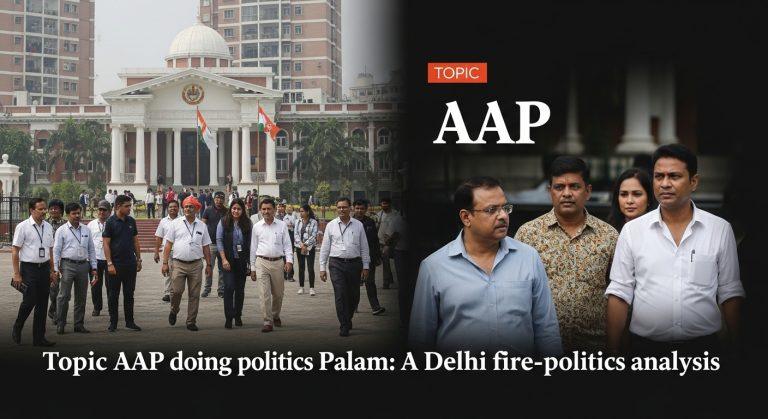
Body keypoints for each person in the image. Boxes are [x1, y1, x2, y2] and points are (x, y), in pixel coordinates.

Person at [606, 144, 746, 355]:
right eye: (658, 176)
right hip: (645, 351)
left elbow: (730, 292)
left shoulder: (719, 230)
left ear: (693, 182)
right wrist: (612, 353)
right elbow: (619, 293)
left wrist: (737, 350)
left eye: (674, 176)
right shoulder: (632, 231)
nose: (665, 184)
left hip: (704, 350)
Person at [409, 177, 561, 354]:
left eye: (505, 208)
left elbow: (547, 329)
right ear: (466, 217)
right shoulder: (433, 267)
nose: (503, 216)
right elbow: (420, 340)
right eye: (491, 210)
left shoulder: (528, 258)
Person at [515, 156, 618, 352]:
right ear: (549, 191)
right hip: (541, 350)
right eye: (559, 187)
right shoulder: (528, 234)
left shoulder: (609, 236)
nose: (567, 193)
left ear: (588, 191)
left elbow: (618, 293)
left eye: (574, 187)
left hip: (594, 349)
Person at [319, 198, 370, 337]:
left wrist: (366, 266)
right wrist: (322, 267)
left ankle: (348, 317)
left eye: (345, 207)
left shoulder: (358, 225)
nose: (342, 209)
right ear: (336, 209)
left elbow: (364, 247)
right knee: (340, 294)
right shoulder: (331, 225)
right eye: (339, 207)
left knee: (354, 296)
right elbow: (325, 248)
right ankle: (344, 324)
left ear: (350, 208)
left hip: (354, 264)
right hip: (336, 264)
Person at [162, 196, 213, 331]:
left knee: (194, 294)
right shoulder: (176, 223)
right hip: (178, 263)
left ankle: (191, 321)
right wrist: (165, 263)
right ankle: (174, 309)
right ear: (182, 209)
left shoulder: (202, 225)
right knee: (176, 291)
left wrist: (209, 265)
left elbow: (206, 246)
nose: (188, 209)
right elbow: (168, 244)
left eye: (191, 206)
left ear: (196, 209)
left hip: (196, 264)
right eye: (186, 206)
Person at [11, 198, 57, 347]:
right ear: (31, 210)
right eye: (41, 209)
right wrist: (17, 274)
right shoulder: (23, 227)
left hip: (44, 268)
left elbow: (50, 250)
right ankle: (18, 326)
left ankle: (39, 337)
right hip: (29, 268)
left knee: (43, 303)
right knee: (29, 301)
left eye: (45, 209)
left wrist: (52, 270)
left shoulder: (48, 227)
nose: (44, 211)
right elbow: (15, 250)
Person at [249, 198, 293, 333]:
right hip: (261, 262)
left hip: (278, 263)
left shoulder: (282, 225)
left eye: (269, 209)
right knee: (264, 294)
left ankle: (275, 315)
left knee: (278, 294)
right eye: (263, 209)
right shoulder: (256, 226)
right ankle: (267, 321)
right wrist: (252, 268)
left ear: (274, 210)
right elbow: (253, 248)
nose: (266, 211)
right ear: (260, 210)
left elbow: (287, 244)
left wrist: (289, 261)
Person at [53, 202, 97, 334]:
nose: (77, 216)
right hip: (67, 265)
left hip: (83, 265)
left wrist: (94, 267)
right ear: (67, 215)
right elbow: (56, 250)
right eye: (74, 213)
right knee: (63, 296)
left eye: (79, 213)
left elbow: (91, 249)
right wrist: (55, 268)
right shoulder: (62, 230)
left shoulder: (86, 229)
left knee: (81, 297)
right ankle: (61, 323)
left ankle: (78, 324)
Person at [102, 194, 143, 332]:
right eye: (127, 206)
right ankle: (113, 322)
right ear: (118, 206)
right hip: (115, 264)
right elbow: (106, 244)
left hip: (130, 264)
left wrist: (138, 259)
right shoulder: (110, 222)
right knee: (113, 295)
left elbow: (135, 241)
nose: (129, 208)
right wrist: (109, 263)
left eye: (130, 206)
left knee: (129, 294)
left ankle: (129, 322)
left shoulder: (131, 221)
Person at [217, 198, 252, 329]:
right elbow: (219, 240)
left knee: (240, 290)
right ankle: (228, 317)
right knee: (229, 287)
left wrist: (250, 262)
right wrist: (224, 259)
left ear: (242, 210)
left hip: (242, 260)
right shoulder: (224, 221)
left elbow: (250, 243)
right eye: (234, 208)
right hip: (228, 261)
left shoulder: (247, 223)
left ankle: (238, 315)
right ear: (230, 208)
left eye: (238, 209)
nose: (235, 211)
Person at [352, 199, 385, 315]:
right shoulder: (350, 222)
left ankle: (375, 307)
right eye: (357, 208)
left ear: (365, 209)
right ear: (353, 208)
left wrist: (377, 256)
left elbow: (375, 241)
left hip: (368, 257)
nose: (359, 211)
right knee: (355, 283)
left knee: (370, 282)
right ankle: (353, 306)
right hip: (354, 258)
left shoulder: (370, 222)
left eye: (362, 209)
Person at [87, 200, 110, 316]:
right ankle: (97, 307)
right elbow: (87, 242)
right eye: (100, 210)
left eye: (104, 210)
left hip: (109, 259)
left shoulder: (112, 223)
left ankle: (112, 307)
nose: (101, 212)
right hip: (95, 259)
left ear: (109, 212)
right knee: (95, 284)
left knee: (110, 285)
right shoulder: (91, 225)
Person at [202, 191, 227, 298]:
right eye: (217, 198)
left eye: (221, 198)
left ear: (224, 200)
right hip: (211, 244)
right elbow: (202, 225)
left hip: (223, 245)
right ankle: (207, 289)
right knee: (209, 267)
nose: (219, 200)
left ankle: (221, 290)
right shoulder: (208, 210)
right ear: (214, 199)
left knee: (222, 269)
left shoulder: (227, 211)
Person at [154, 199, 180, 302]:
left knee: (178, 273)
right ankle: (168, 293)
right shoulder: (163, 221)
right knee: (168, 271)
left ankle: (176, 292)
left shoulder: (182, 220)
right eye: (170, 207)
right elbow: (159, 237)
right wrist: (156, 252)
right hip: (167, 251)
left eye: (175, 206)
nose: (173, 208)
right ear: (167, 209)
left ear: (178, 208)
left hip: (179, 251)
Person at [46, 198, 66, 324]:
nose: (53, 210)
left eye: (56, 208)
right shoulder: (44, 223)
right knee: (53, 288)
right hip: (49, 260)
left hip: (63, 259)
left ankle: (56, 312)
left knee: (63, 290)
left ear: (61, 211)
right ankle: (54, 310)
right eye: (51, 208)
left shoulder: (65, 224)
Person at [294, 204, 319, 296]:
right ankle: (301, 287)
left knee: (310, 267)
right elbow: (295, 234)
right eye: (300, 211)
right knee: (301, 267)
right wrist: (301, 244)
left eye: (302, 211)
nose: (300, 213)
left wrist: (306, 244)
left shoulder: (313, 222)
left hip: (310, 247)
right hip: (299, 246)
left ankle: (312, 288)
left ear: (308, 212)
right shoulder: (297, 221)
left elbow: (314, 235)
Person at [377, 197, 398, 289]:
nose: (384, 205)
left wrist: (390, 240)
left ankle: (386, 283)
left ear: (390, 204)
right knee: (384, 262)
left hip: (391, 242)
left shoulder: (395, 214)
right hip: (380, 241)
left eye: (386, 203)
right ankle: (390, 278)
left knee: (386, 261)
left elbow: (397, 229)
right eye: (382, 203)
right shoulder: (379, 215)